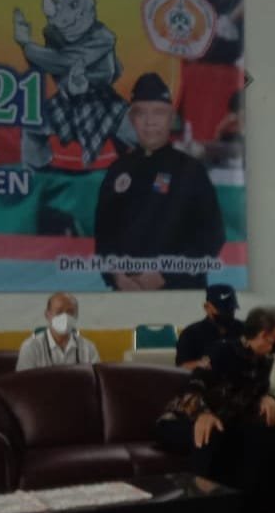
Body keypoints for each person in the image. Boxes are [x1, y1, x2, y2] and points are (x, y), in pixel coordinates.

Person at [156, 305, 275, 513]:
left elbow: (255, 390)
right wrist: (203, 414)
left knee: (262, 432)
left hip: (225, 420)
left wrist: (267, 397)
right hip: (182, 419)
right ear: (262, 335)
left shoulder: (263, 360)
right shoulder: (222, 351)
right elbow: (193, 387)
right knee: (211, 434)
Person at [93, 72, 226, 291]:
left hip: (180, 292)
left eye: (158, 112)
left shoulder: (191, 171)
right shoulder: (118, 171)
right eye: (141, 113)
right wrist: (116, 277)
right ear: (131, 118)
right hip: (127, 294)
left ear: (172, 117)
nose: (150, 122)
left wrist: (165, 276)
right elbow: (104, 236)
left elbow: (212, 237)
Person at [15, 292, 102, 371]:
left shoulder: (88, 348)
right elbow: (23, 381)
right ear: (47, 315)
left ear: (76, 316)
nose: (65, 316)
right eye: (59, 312)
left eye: (70, 312)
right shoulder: (31, 347)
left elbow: (97, 378)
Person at [175, 284, 243, 370]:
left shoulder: (244, 329)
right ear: (207, 307)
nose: (227, 313)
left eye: (231, 309)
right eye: (222, 310)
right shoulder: (191, 334)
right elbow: (181, 367)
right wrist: (203, 364)